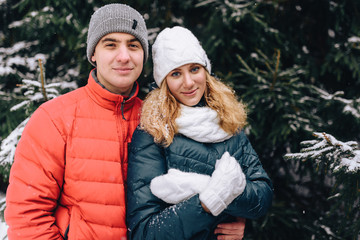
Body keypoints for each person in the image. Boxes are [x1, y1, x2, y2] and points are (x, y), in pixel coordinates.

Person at [4, 4, 246, 240]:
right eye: (111, 45)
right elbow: (28, 216)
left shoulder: (163, 118)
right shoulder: (55, 119)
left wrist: (229, 218)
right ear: (93, 54)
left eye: (133, 45)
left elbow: (204, 186)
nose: (124, 56)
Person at [126, 26, 274, 240]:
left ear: (206, 71)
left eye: (194, 69)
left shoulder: (227, 121)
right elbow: (145, 232)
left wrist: (231, 202)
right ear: (164, 82)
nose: (188, 82)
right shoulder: (153, 132)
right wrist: (207, 199)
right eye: (176, 73)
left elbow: (263, 197)